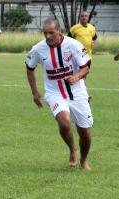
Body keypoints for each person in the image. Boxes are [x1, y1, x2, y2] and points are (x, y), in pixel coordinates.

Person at [25, 18, 93, 171]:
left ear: (59, 31)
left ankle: (84, 160)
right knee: (64, 122)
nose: (48, 36)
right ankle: (72, 149)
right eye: (45, 33)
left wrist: (76, 77)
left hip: (77, 92)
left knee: (85, 132)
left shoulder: (74, 45)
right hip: (54, 93)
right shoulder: (37, 49)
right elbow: (29, 68)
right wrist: (35, 92)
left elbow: (85, 68)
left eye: (51, 33)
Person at [68, 11, 97, 101]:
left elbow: (94, 37)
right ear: (79, 18)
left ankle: (81, 94)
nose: (84, 18)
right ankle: (84, 96)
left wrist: (92, 43)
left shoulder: (92, 28)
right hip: (77, 57)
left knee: (84, 76)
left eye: (86, 16)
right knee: (79, 75)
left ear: (88, 18)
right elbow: (68, 40)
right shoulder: (74, 29)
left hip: (88, 57)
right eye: (82, 16)